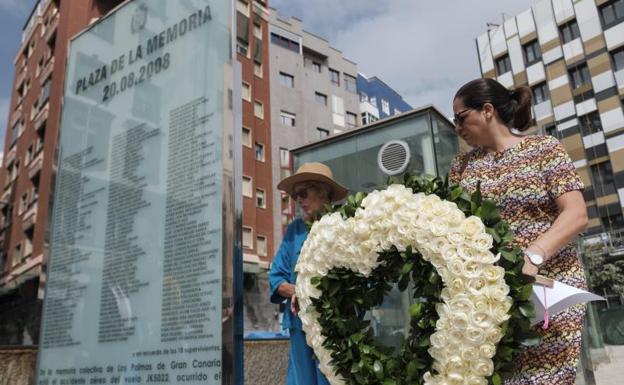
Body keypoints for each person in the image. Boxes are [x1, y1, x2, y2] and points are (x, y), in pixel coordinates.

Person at [448, 78, 589, 384]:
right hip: (491, 301)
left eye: (460, 117)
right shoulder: (460, 168)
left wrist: (534, 255)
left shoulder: (543, 149)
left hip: (548, 291)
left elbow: (576, 214)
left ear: (487, 110)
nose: (457, 126)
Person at [269, 162, 348, 385]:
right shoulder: (294, 230)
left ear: (323, 191)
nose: (298, 200)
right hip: (298, 324)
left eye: (303, 193)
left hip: (332, 326)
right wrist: (298, 290)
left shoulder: (343, 227)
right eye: (295, 196)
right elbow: (276, 277)